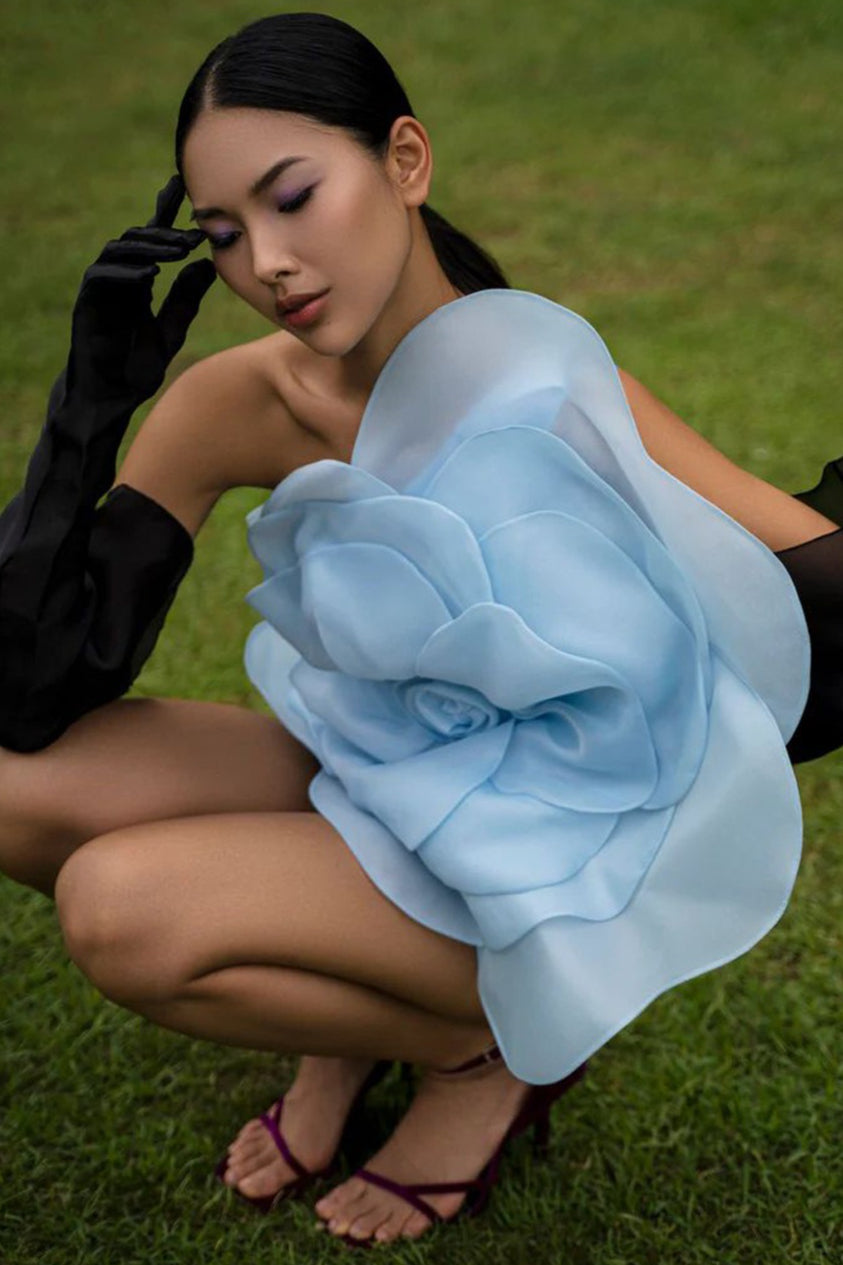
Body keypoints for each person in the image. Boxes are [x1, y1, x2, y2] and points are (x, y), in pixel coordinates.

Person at [0, 10, 841, 1249]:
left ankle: (477, 1046)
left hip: (556, 843)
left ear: (405, 160)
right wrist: (89, 403)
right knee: (11, 790)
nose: (268, 263)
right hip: (385, 770)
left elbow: (823, 594)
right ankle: (370, 1007)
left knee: (118, 910)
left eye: (295, 198)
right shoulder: (238, 402)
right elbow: (30, 690)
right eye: (223, 233)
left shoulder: (549, 386)